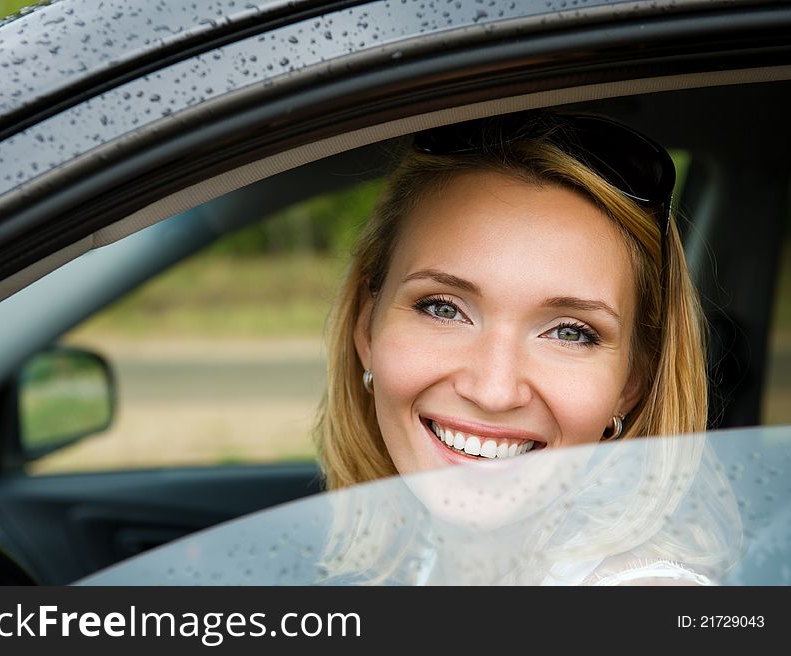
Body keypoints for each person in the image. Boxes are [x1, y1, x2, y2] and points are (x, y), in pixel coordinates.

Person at [312, 110, 742, 585]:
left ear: (631, 382)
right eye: (443, 309)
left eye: (569, 332)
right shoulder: (418, 561)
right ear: (365, 330)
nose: (494, 391)